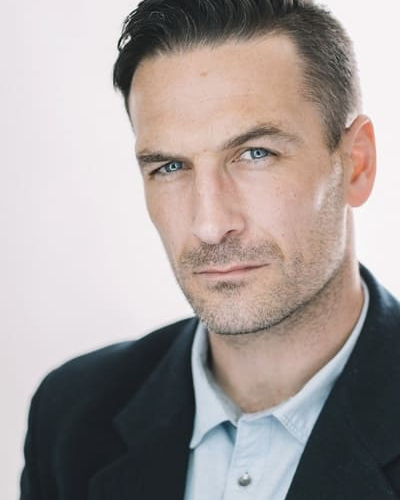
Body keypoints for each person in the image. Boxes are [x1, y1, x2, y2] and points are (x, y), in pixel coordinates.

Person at [20, 0, 400, 498]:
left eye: (256, 154)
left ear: (357, 164)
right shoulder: (72, 415)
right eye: (170, 167)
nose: (210, 225)